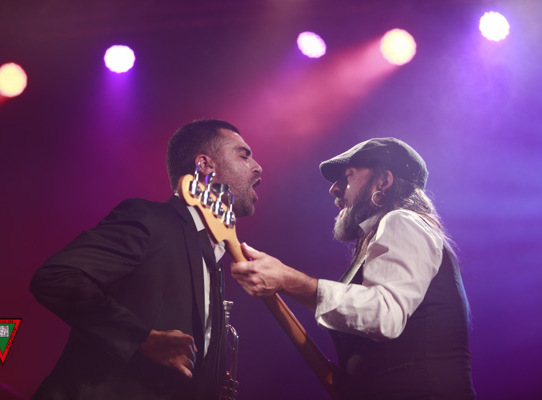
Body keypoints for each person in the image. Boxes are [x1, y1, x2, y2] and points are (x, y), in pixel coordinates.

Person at [30, 119, 262, 400]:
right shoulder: (150, 219)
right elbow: (56, 277)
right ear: (204, 165)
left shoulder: (218, 258)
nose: (257, 167)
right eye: (244, 155)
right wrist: (141, 337)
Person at [231, 137, 475, 399]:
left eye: (347, 176)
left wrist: (288, 280)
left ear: (383, 182)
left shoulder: (402, 221)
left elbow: (385, 315)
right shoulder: (387, 233)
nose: (334, 189)